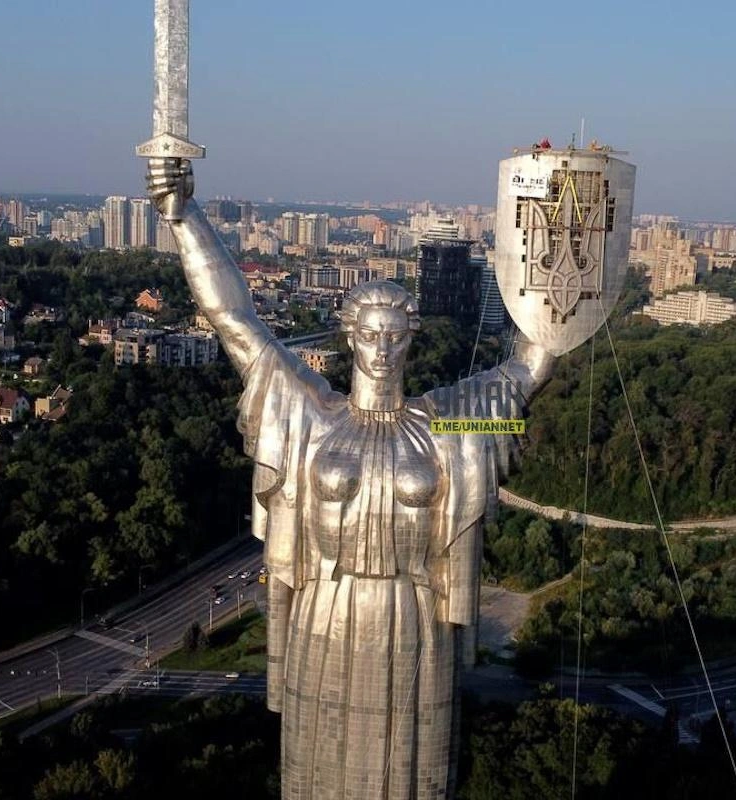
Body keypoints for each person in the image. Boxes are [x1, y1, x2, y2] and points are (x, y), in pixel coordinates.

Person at [148, 158, 557, 800]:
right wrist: (183, 216)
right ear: (349, 337)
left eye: (396, 337)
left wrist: (562, 245)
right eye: (370, 334)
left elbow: (529, 368)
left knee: (412, 774)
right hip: (327, 612)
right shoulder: (311, 418)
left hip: (416, 616)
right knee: (317, 768)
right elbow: (236, 320)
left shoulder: (447, 427)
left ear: (410, 342)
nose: (382, 349)